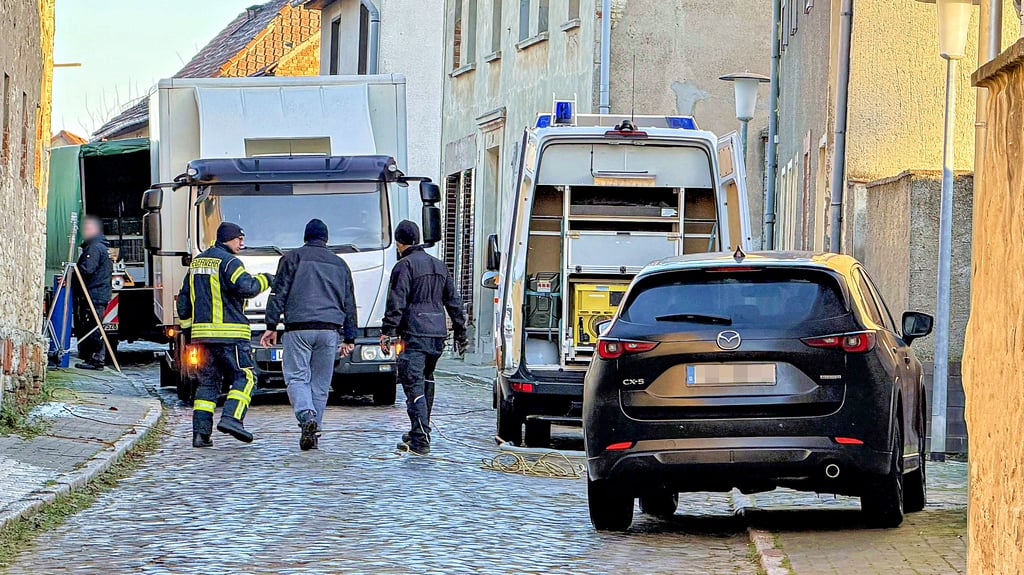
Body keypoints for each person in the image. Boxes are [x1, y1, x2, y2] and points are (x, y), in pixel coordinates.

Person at [261, 219, 358, 451]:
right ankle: (314, 432)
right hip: (329, 331)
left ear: (305, 237)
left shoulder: (292, 258)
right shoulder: (340, 264)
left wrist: (271, 325)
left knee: (297, 377)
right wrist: (350, 338)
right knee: (320, 384)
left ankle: (306, 416)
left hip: (299, 329)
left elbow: (278, 293)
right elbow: (349, 302)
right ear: (326, 238)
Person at [177, 222, 273, 448]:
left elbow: (183, 301)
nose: (242, 243)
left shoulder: (197, 263)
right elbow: (248, 287)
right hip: (231, 335)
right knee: (245, 377)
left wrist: (189, 331)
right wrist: (267, 279)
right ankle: (232, 418)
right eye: (239, 239)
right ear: (228, 239)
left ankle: (201, 435)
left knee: (207, 384)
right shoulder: (230, 262)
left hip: (201, 337)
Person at [381, 220, 467, 455]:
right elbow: (454, 301)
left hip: (415, 332)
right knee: (427, 380)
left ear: (399, 243)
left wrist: (388, 331)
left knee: (413, 383)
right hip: (437, 333)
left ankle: (420, 437)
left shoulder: (404, 266)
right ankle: (419, 430)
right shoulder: (439, 265)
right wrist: (461, 332)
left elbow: (396, 302)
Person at [74, 215, 113, 370]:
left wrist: (72, 273)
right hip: (99, 292)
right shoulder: (101, 247)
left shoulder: (95, 248)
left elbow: (87, 269)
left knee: (93, 327)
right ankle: (94, 357)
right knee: (95, 325)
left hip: (94, 293)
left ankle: (96, 359)